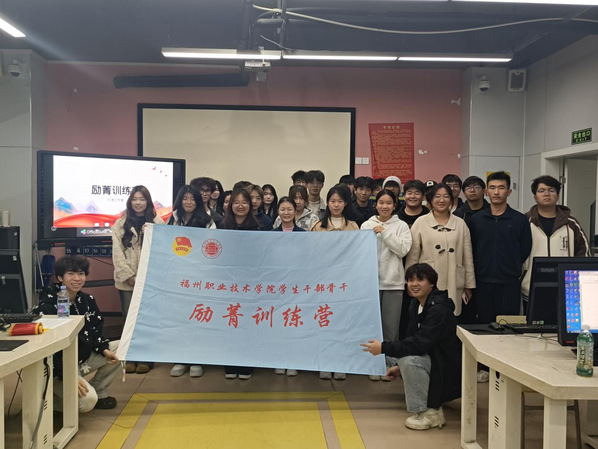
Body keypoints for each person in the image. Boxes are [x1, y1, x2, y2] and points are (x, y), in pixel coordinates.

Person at [361, 263, 462, 431]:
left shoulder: (439, 310)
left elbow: (418, 344)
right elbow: (412, 339)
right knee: (395, 358)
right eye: (410, 280)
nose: (414, 284)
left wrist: (384, 348)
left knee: (408, 360)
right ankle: (428, 400)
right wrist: (397, 366)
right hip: (433, 359)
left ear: (432, 283)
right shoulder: (416, 304)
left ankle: (430, 412)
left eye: (420, 280)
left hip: (448, 368)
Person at [36, 255, 120, 412]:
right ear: (60, 277)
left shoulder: (87, 300)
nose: (77, 278)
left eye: (81, 273)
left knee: (124, 347)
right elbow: (46, 348)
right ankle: (50, 403)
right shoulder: (48, 304)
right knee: (88, 402)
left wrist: (104, 350)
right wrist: (67, 374)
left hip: (81, 359)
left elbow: (95, 330)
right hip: (58, 366)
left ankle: (98, 390)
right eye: (71, 274)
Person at [361, 189, 412, 380]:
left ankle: (389, 365)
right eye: (381, 202)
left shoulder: (401, 226)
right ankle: (372, 366)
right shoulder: (366, 225)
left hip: (393, 284)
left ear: (395, 205)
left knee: (391, 329)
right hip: (370, 285)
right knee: (371, 328)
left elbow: (403, 249)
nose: (384, 206)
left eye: (389, 203)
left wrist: (385, 232)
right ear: (375, 204)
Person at [112, 185, 164, 374]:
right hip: (127, 282)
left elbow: (162, 251)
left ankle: (146, 358)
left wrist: (147, 276)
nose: (138, 203)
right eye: (134, 199)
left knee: (148, 320)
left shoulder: (157, 222)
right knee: (129, 319)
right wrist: (129, 275)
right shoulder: (120, 224)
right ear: (130, 201)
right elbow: (117, 253)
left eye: (142, 199)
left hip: (150, 281)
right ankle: (130, 357)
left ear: (148, 201)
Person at [469, 171, 532, 324]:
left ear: (509, 192)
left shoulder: (519, 220)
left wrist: (511, 265)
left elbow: (525, 248)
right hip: (482, 282)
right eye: (492, 188)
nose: (496, 192)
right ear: (486, 191)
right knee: (483, 325)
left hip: (509, 283)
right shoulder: (476, 220)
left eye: (501, 188)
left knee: (508, 326)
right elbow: (471, 249)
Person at [311, 184, 358, 380]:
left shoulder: (354, 227)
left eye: (340, 201)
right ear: (327, 203)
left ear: (345, 203)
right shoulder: (317, 227)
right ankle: (324, 362)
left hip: (345, 284)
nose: (336, 205)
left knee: (342, 324)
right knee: (324, 322)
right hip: (324, 283)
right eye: (332, 201)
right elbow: (311, 255)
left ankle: (340, 362)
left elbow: (357, 256)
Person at [406, 183, 475, 316]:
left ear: (451, 199)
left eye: (446, 196)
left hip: (454, 278)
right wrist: (410, 281)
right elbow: (412, 256)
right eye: (437, 196)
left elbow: (467, 257)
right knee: (429, 316)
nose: (441, 200)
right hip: (427, 280)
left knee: (451, 316)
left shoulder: (460, 224)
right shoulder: (421, 222)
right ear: (431, 200)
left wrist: (469, 284)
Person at [168, 185, 215, 378]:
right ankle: (180, 358)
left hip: (199, 277)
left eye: (192, 198)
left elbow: (213, 247)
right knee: (180, 318)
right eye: (185, 198)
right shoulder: (173, 220)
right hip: (178, 277)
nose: (188, 202)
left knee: (198, 318)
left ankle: (197, 359)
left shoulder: (208, 222)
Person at [521, 175, 591, 305]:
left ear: (558, 196)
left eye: (551, 190)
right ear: (535, 197)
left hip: (566, 289)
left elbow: (584, 254)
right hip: (530, 289)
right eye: (541, 191)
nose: (547, 194)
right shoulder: (524, 222)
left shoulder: (571, 224)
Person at [220, 188, 262, 379]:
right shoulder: (222, 227)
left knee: (247, 323)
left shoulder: (258, 228)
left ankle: (246, 362)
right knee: (230, 321)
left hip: (250, 283)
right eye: (236, 202)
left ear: (250, 205)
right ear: (230, 205)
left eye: (244, 202)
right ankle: (230, 362)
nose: (240, 206)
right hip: (228, 283)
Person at [272, 196, 305, 376]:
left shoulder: (303, 234)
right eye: (283, 209)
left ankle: (293, 360)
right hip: (277, 286)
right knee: (278, 323)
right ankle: (279, 358)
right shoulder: (271, 235)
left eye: (289, 209)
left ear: (295, 211)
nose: (286, 212)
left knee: (294, 322)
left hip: (296, 286)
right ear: (278, 211)